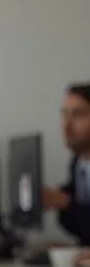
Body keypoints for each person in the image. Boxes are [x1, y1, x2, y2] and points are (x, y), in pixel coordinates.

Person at [43, 82, 90, 244]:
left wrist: (65, 202)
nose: (66, 125)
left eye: (78, 115)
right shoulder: (77, 164)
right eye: (64, 115)